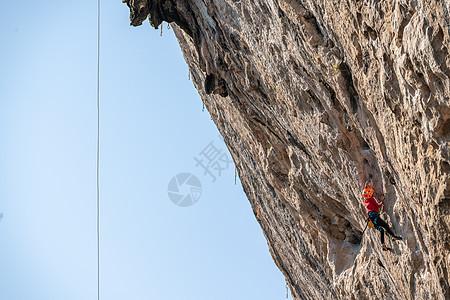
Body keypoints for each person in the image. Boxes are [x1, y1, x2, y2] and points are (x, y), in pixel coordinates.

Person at [363, 180, 402, 251]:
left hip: (371, 221)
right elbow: (379, 205)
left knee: (381, 230)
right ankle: (393, 236)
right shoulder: (371, 199)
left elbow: (366, 192)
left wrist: (366, 186)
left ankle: (383, 245)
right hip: (375, 218)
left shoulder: (366, 201)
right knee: (385, 226)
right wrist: (382, 200)